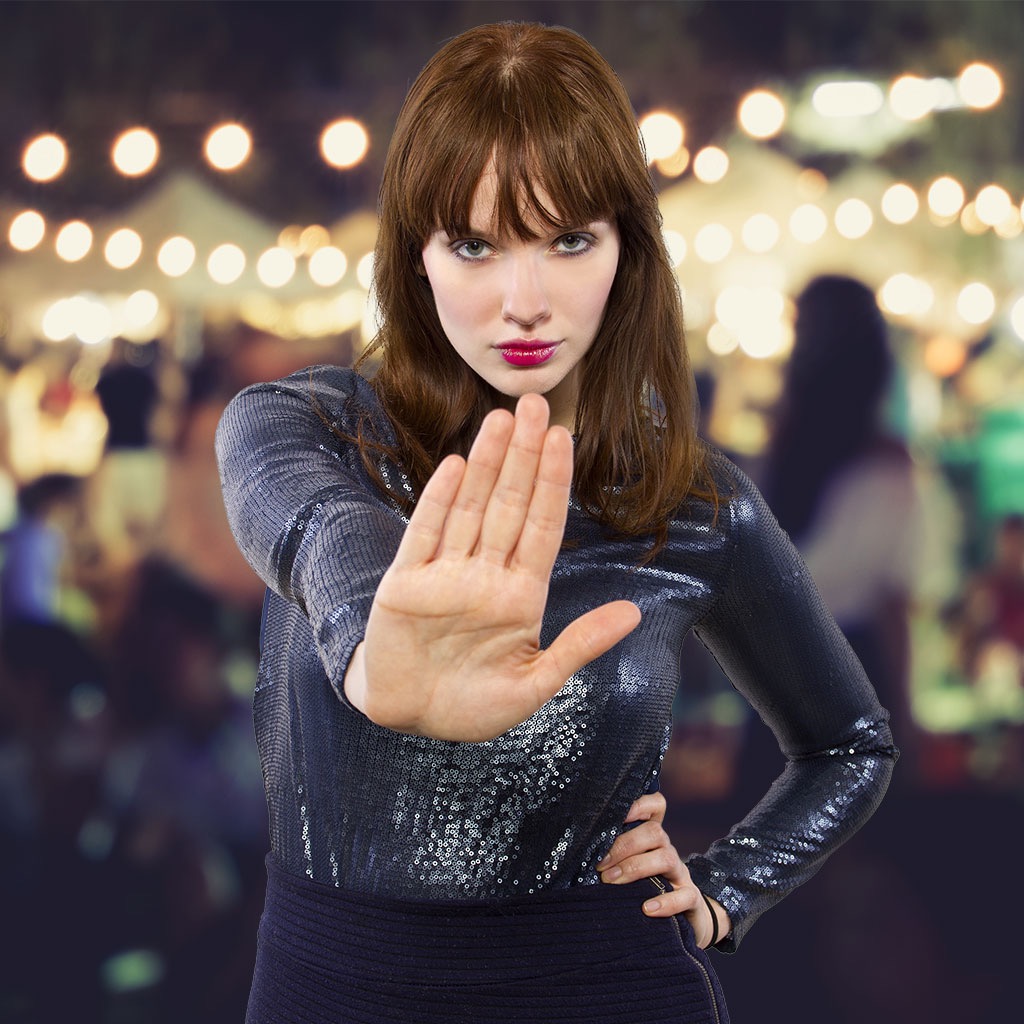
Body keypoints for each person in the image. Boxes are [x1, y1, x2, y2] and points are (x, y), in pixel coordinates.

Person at [216, 23, 897, 1023]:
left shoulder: (693, 501)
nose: (523, 301)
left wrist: (724, 888)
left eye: (569, 239)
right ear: (415, 256)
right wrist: (371, 641)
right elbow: (311, 518)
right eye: (475, 243)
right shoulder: (310, 429)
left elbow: (849, 743)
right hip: (335, 984)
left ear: (626, 250)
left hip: (605, 982)